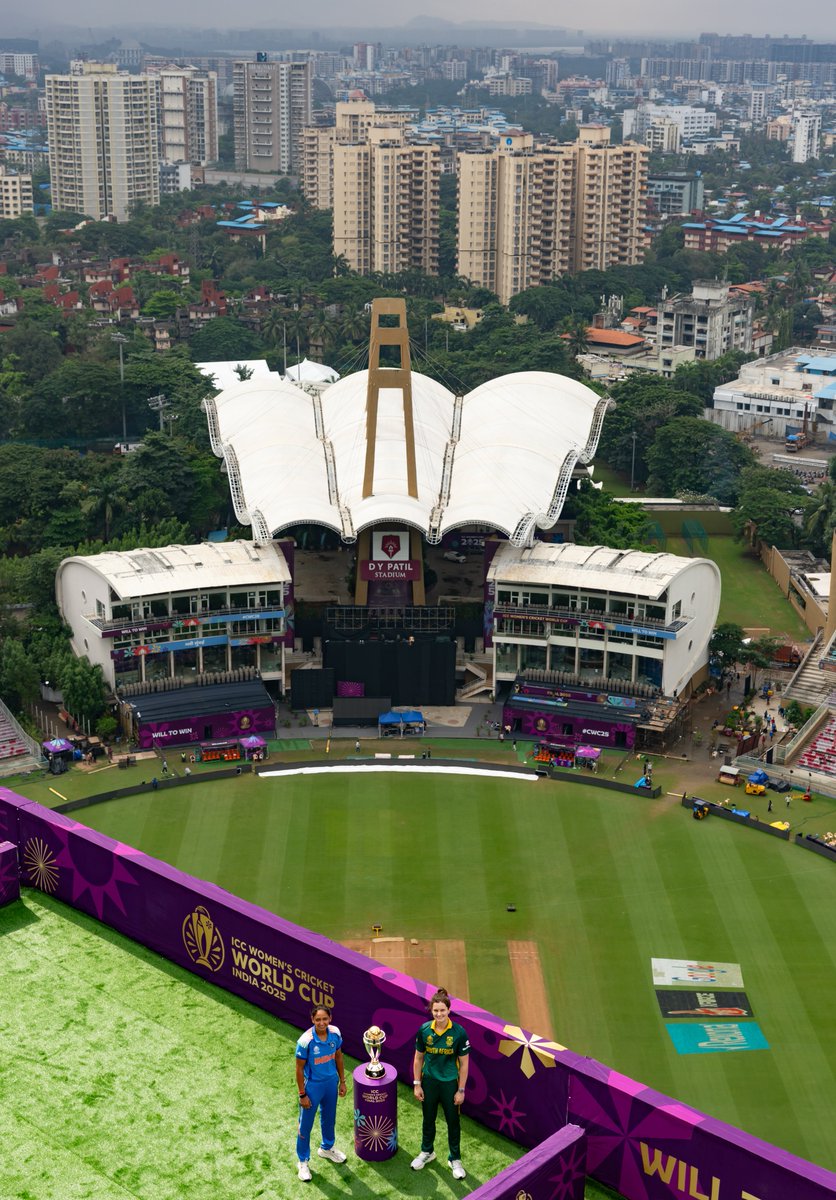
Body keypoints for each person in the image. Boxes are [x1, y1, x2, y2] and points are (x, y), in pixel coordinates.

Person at [411, 987, 470, 1181]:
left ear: (448, 1010)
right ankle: (427, 1152)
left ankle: (455, 1159)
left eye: (442, 1010)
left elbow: (464, 1064)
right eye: (435, 1011)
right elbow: (418, 1058)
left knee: (453, 1122)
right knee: (428, 1119)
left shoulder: (459, 1033)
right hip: (428, 1082)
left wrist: (461, 1089)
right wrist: (417, 1084)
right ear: (431, 1011)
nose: (439, 1014)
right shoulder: (424, 1030)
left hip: (449, 1084)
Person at [295, 1005, 347, 1182]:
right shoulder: (305, 1040)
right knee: (305, 1126)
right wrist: (302, 1094)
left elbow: (338, 1056)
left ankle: (327, 1148)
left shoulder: (335, 1033)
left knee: (329, 1119)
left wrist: (342, 1081)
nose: (322, 1023)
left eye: (325, 1019)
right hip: (313, 1088)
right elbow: (299, 1069)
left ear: (330, 1018)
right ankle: (302, 1161)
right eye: (318, 1019)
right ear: (312, 1020)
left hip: (331, 1084)